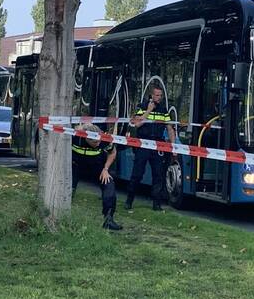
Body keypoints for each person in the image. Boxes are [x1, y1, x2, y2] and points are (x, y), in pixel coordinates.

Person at [125, 84, 176, 212]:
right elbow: (136, 124)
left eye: (161, 95)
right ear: (151, 96)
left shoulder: (164, 110)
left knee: (158, 175)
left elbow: (170, 128)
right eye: (157, 95)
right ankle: (129, 201)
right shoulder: (142, 107)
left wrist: (173, 146)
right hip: (143, 143)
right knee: (137, 174)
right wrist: (148, 111)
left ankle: (156, 204)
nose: (159, 98)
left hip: (157, 145)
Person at [72, 123, 122, 231]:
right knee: (68, 187)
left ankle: (108, 219)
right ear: (86, 138)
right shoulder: (75, 137)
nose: (98, 143)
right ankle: (62, 215)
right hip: (76, 164)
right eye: (95, 142)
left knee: (109, 184)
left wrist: (106, 169)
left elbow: (112, 153)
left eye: (99, 141)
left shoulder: (104, 139)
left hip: (97, 165)